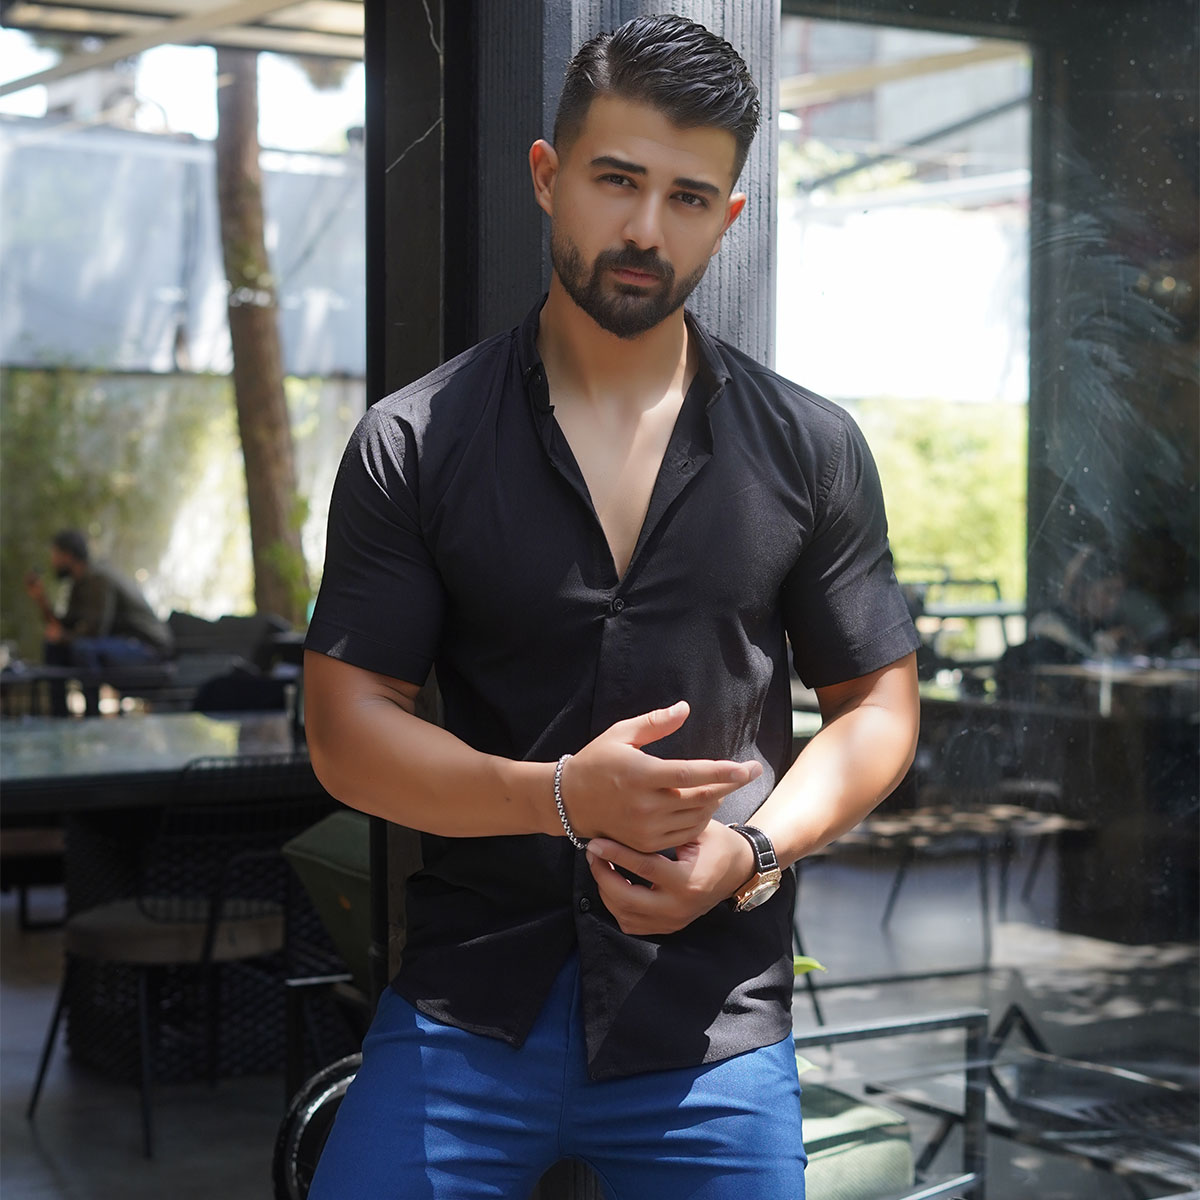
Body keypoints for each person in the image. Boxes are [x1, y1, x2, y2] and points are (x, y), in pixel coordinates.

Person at [303, 15, 920, 1199]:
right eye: (617, 180)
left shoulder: (811, 448)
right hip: (466, 1009)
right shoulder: (414, 442)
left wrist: (751, 852)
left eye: (688, 198)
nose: (646, 228)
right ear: (548, 176)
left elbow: (878, 708)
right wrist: (555, 798)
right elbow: (344, 730)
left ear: (729, 218)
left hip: (711, 1026)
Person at [24, 529, 174, 716]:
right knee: (53, 646)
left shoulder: (98, 577)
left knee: (82, 648)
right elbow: (62, 628)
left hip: (146, 650)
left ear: (67, 555)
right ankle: (59, 717)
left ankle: (92, 718)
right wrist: (41, 600)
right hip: (118, 646)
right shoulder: (79, 583)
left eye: (55, 555)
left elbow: (95, 631)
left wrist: (63, 637)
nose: (52, 561)